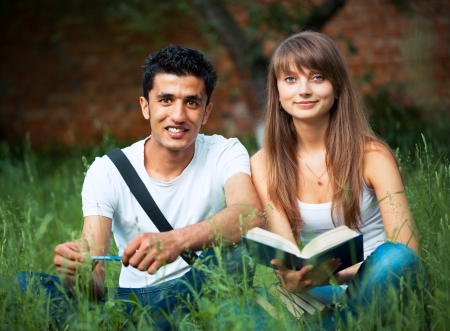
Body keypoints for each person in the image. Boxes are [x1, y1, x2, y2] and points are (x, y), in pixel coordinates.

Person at [14, 45, 264, 329]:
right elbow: (94, 284)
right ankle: (153, 322)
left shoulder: (225, 151)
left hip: (201, 291)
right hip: (130, 301)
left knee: (241, 251)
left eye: (191, 103)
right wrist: (79, 274)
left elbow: (249, 215)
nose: (178, 115)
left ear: (206, 112)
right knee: (25, 286)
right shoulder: (107, 171)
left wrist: (176, 241)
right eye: (166, 100)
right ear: (146, 106)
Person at [249, 31, 425, 329]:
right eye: (290, 79)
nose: (303, 90)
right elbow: (287, 255)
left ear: (338, 87)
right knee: (241, 306)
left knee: (396, 259)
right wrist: (295, 278)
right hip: (317, 289)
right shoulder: (264, 162)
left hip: (380, 279)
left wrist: (334, 274)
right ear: (277, 92)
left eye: (317, 77)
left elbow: (407, 248)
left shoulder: (372, 155)